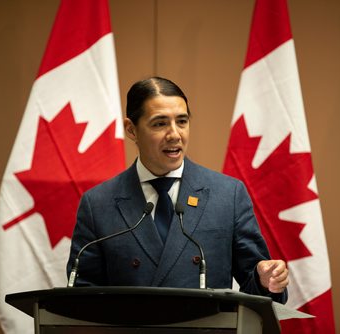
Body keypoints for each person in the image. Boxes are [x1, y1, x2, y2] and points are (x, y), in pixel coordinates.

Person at [67, 77, 289, 303]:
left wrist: (266, 281)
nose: (175, 134)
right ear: (131, 129)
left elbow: (255, 286)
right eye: (160, 123)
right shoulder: (98, 204)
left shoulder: (228, 195)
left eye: (182, 121)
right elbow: (82, 295)